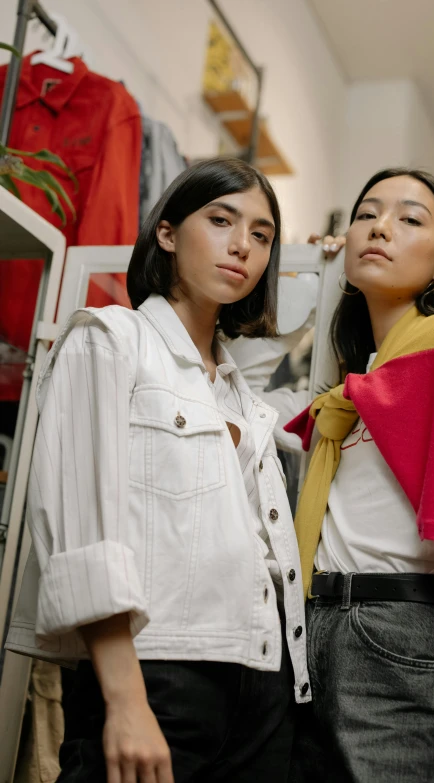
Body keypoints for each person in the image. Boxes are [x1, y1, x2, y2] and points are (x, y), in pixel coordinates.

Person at [6, 157, 311, 783]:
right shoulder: (110, 339)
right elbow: (83, 526)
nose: (241, 247)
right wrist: (125, 699)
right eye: (221, 220)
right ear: (167, 234)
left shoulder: (243, 400)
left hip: (265, 688)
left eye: (260, 235)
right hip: (160, 675)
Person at [230, 168, 434, 782]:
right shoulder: (349, 393)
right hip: (315, 629)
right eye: (367, 213)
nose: (379, 227)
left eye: (409, 218)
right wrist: (310, 278)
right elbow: (236, 392)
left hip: (403, 632)